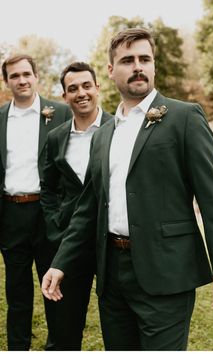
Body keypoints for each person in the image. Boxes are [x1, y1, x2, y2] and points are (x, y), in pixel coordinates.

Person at [42, 28, 213, 351]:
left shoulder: (184, 118)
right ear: (110, 70)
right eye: (128, 60)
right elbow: (88, 208)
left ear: (154, 66)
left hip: (166, 273)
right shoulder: (103, 135)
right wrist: (61, 262)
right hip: (112, 277)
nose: (138, 67)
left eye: (145, 59)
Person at [0, 54, 72, 350]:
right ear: (6, 82)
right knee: (16, 292)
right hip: (11, 213)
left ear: (36, 76)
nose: (22, 80)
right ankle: (18, 347)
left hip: (48, 214)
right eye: (14, 76)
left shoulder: (60, 112)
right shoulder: (0, 117)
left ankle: (57, 346)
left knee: (53, 287)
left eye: (27, 74)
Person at [40, 61, 112, 350]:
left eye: (86, 86)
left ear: (97, 88)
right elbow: (48, 187)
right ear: (64, 96)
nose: (81, 93)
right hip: (70, 242)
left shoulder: (117, 127)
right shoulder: (56, 137)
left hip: (112, 241)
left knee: (118, 323)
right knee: (65, 327)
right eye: (73, 89)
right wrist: (56, 225)